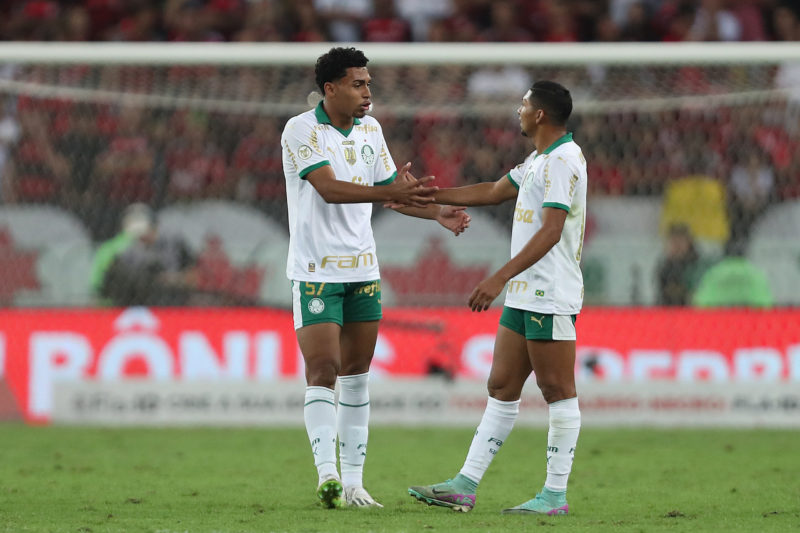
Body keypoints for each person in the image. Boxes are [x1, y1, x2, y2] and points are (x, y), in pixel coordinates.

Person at [280, 46, 470, 510]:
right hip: (316, 271)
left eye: (368, 83)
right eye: (358, 84)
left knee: (358, 374)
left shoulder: (371, 130)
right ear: (331, 89)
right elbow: (328, 189)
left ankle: (355, 483)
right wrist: (389, 191)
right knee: (323, 370)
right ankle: (327, 475)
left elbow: (392, 193)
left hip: (364, 268)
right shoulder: (301, 129)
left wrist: (437, 212)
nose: (368, 92)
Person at [406, 80, 586, 515]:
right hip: (526, 294)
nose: (518, 110)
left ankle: (555, 496)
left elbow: (551, 231)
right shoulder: (539, 158)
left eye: (523, 104)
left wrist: (498, 278)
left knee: (557, 390)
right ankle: (464, 486)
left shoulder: (564, 160)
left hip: (549, 292)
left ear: (540, 115)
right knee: (502, 386)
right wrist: (424, 195)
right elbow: (490, 190)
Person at [89, 203, 198, 307]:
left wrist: (170, 279)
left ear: (154, 226)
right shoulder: (127, 252)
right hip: (138, 305)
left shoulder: (175, 244)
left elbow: (196, 277)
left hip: (175, 305)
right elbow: (107, 288)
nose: (141, 237)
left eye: (143, 231)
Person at [656, 223, 704, 306]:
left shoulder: (698, 267)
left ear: (689, 243)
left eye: (681, 241)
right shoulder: (664, 268)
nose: (677, 246)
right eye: (673, 241)